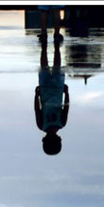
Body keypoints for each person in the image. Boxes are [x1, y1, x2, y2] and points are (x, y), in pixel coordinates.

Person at [34, 18, 69, 156]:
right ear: (44, 141)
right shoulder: (41, 125)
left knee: (57, 65)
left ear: (59, 139)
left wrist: (66, 93)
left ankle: (56, 46)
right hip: (44, 90)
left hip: (58, 89)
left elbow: (66, 106)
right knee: (44, 65)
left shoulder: (62, 123)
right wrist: (36, 95)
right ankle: (43, 47)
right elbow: (37, 109)